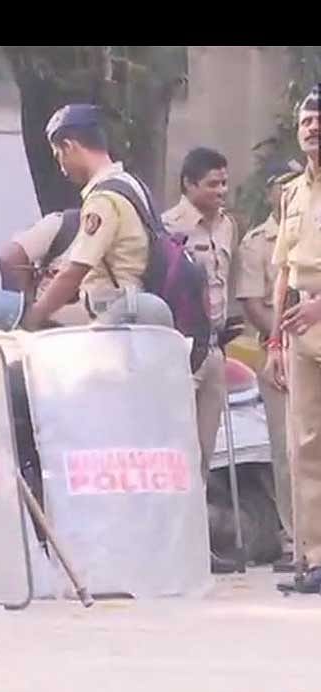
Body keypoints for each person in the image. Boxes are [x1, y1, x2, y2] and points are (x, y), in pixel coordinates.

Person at [21, 104, 151, 331]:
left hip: (118, 321)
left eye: (58, 155)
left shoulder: (103, 199)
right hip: (136, 312)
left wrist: (33, 317)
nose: (61, 167)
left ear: (69, 147)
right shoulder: (132, 185)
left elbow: (73, 273)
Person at [265, 85, 321, 595]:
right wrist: (275, 342)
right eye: (306, 119)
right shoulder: (292, 192)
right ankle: (314, 557)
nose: (313, 126)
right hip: (301, 323)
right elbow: (282, 268)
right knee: (304, 444)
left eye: (319, 118)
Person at [234, 159, 303, 569]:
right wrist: (280, 336)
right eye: (282, 185)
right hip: (276, 351)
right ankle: (296, 539)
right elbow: (252, 301)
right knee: (285, 448)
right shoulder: (256, 242)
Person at [162, 147, 241, 486]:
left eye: (224, 183)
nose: (221, 191)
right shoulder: (167, 227)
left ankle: (197, 536)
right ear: (188, 185)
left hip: (214, 350)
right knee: (174, 449)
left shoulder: (227, 226)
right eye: (212, 184)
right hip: (180, 350)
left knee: (205, 453)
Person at [0, 210, 90, 326]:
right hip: (46, 330)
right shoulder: (65, 224)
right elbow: (10, 257)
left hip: (98, 331)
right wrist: (23, 310)